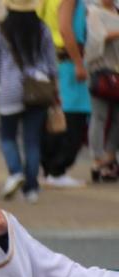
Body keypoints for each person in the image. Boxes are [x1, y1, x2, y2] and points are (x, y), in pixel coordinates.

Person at [0, 0, 58, 203]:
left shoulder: (0, 29)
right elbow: (51, 62)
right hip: (37, 88)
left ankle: (16, 172)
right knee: (32, 140)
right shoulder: (42, 28)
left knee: (8, 137)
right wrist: (54, 87)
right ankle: (31, 189)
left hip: (10, 89)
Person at [39, 0, 91, 188]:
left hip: (55, 61)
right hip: (69, 61)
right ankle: (57, 169)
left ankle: (49, 169)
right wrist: (78, 62)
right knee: (74, 117)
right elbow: (65, 28)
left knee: (55, 118)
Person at [85, 0, 119, 182]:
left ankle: (110, 156)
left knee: (117, 119)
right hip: (101, 71)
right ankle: (97, 159)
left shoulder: (116, 11)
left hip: (117, 72)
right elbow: (97, 37)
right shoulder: (94, 12)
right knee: (99, 116)